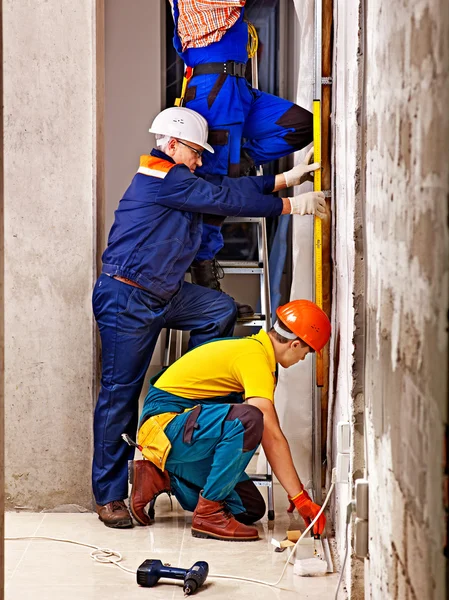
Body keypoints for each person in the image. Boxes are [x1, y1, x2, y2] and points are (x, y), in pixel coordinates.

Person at [93, 106, 325, 529]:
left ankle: (196, 400)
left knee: (217, 309)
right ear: (172, 145)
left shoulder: (180, 179)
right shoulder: (161, 177)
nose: (200, 159)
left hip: (162, 292)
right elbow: (219, 196)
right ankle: (109, 496)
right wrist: (293, 204)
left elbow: (221, 187)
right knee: (119, 394)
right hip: (127, 296)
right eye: (195, 152)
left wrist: (285, 178)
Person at [129, 299, 331, 541]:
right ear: (295, 344)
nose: (302, 359)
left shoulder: (255, 352)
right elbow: (271, 435)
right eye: (307, 353)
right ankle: (208, 514)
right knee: (250, 420)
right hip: (165, 425)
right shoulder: (254, 358)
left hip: (183, 433)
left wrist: (293, 491)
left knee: (249, 508)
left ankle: (163, 476)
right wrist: (299, 497)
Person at [169, 0, 317, 316]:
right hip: (213, 88)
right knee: (216, 183)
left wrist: (244, 159)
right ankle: (205, 280)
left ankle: (242, 163)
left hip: (238, 87)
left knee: (301, 125)